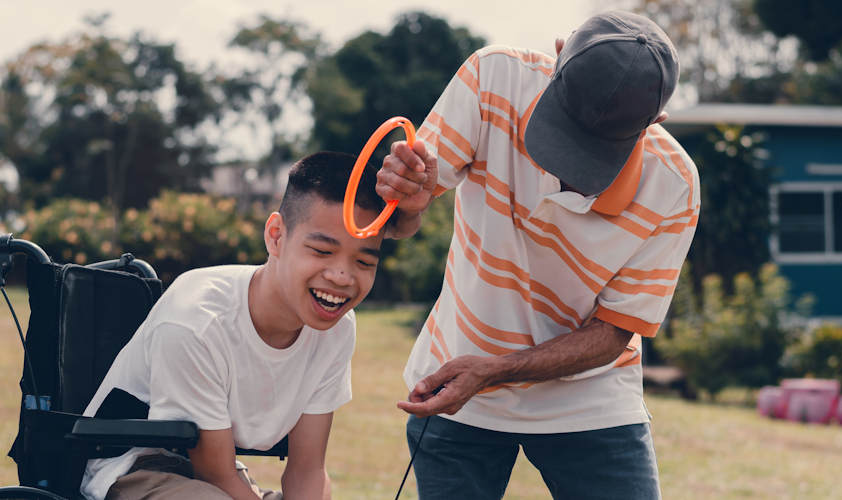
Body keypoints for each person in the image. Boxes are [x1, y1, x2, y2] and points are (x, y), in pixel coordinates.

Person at [376, 11, 698, 500]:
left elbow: (613, 333)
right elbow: (401, 221)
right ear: (557, 52)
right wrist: (407, 203)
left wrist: (495, 370)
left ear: (655, 121)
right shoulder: (492, 78)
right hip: (455, 377)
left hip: (590, 398)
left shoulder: (673, 185)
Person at [79, 151, 388, 500]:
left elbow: (308, 470)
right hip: (134, 468)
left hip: (216, 478)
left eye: (364, 261)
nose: (342, 277)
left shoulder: (337, 330)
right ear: (276, 236)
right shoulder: (197, 319)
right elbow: (215, 474)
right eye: (321, 251)